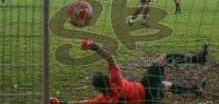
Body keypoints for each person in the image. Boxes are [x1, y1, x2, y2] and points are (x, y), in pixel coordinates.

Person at [50, 40, 208, 104]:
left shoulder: (104, 100)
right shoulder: (116, 81)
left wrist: (62, 103)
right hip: (146, 88)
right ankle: (197, 59)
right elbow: (111, 59)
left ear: (99, 89)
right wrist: (95, 47)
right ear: (108, 79)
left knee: (167, 84)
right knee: (164, 58)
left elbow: (83, 103)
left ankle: (196, 89)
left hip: (149, 100)